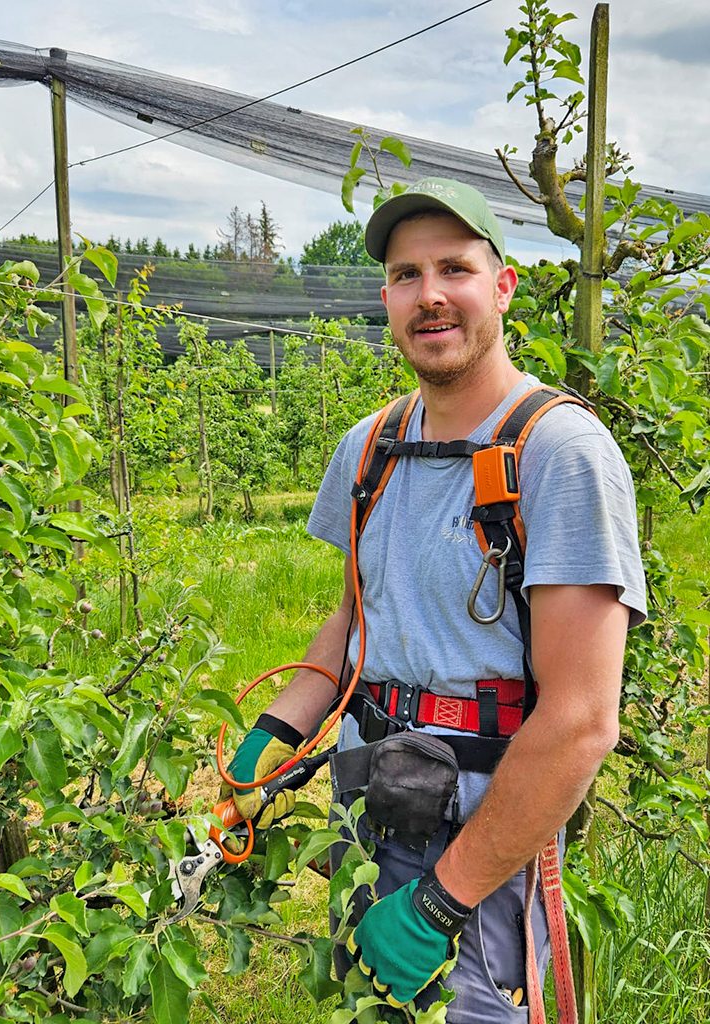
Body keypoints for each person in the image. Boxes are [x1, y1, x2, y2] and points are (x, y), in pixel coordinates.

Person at [221, 177, 647, 1022]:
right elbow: (352, 621)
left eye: (454, 267)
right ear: (386, 298)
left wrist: (440, 906)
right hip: (368, 812)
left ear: (503, 285)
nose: (431, 295)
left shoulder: (559, 453)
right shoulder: (370, 445)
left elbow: (582, 719)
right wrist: (267, 743)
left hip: (484, 847)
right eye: (408, 275)